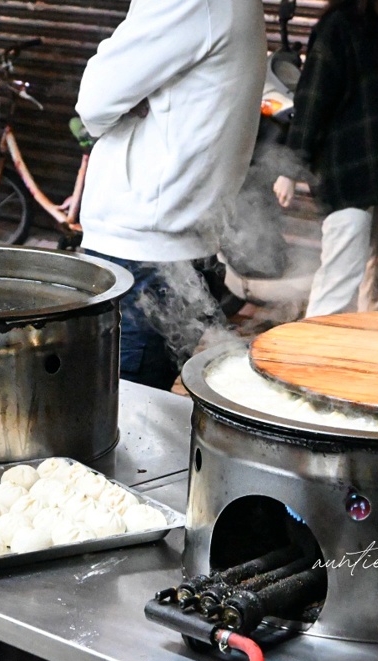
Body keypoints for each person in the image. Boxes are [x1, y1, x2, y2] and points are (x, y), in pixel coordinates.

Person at [74, 0, 266, 390]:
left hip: (142, 256)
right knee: (140, 407)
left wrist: (131, 99)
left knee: (117, 412)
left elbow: (94, 101)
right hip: (176, 252)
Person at [274, 0, 378, 317]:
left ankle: (367, 339)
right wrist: (291, 168)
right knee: (341, 272)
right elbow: (313, 97)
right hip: (350, 168)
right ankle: (314, 343)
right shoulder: (340, 24)